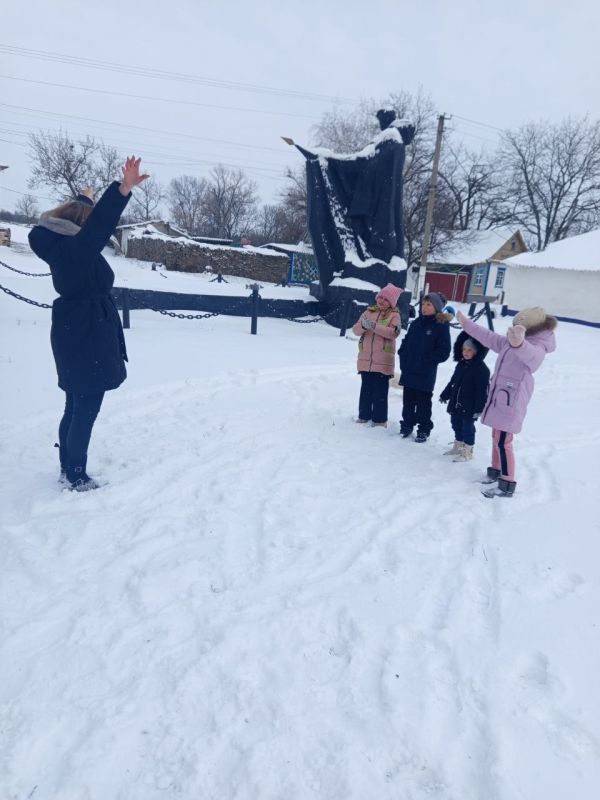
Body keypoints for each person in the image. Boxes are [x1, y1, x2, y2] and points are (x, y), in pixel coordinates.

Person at [28, 156, 149, 491]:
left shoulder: (61, 246)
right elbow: (98, 227)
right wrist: (122, 190)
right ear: (79, 225)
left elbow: (84, 221)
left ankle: (68, 466)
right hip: (87, 333)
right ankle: (76, 473)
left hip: (75, 330)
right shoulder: (76, 250)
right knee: (85, 409)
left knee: (75, 403)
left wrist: (85, 197)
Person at [456, 306, 557, 497]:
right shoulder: (511, 340)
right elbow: (488, 337)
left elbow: (532, 358)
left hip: (512, 398)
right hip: (500, 395)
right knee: (497, 437)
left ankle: (507, 483)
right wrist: (467, 324)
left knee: (504, 441)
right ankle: (495, 471)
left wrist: (519, 344)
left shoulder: (538, 346)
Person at [398, 291, 452, 442]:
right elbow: (406, 341)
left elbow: (444, 351)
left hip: (425, 372)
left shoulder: (440, 325)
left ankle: (424, 429)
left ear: (436, 307)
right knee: (408, 400)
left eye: (429, 304)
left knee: (423, 403)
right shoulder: (415, 323)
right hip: (409, 369)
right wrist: (403, 354)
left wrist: (427, 360)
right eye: (423, 304)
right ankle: (407, 424)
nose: (424, 307)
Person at [352, 283, 403, 427]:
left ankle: (380, 420)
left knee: (380, 393)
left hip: (383, 360)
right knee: (366, 390)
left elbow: (394, 332)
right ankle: (363, 415)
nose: (381, 301)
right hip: (366, 360)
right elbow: (355, 330)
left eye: (386, 299)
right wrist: (363, 326)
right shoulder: (368, 312)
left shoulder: (395, 315)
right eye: (380, 297)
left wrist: (373, 327)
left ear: (391, 302)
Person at [439, 332, 490, 462]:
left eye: (470, 350)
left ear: (476, 351)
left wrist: (479, 408)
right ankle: (459, 445)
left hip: (470, 406)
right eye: (464, 349)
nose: (466, 352)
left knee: (467, 428)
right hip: (456, 402)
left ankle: (468, 451)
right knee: (455, 424)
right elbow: (453, 382)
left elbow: (482, 391)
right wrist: (445, 394)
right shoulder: (461, 364)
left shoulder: (481, 369)